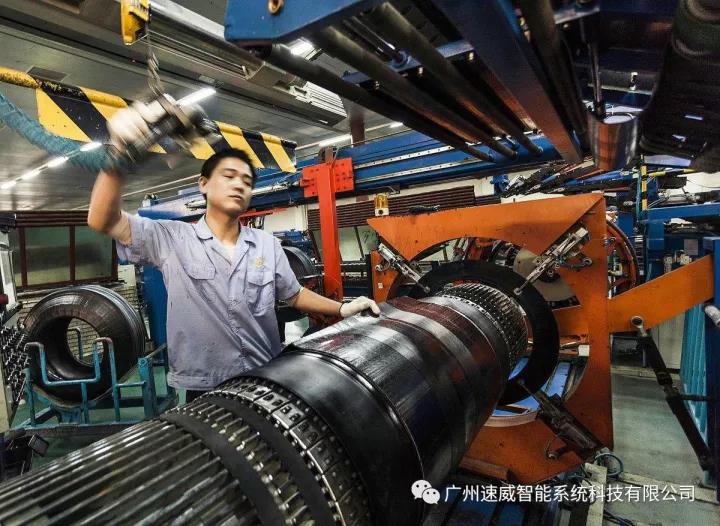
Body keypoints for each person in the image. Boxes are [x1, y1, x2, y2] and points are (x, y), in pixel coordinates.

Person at [88, 101, 380, 402]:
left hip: (265, 377)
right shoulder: (171, 239)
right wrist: (119, 153)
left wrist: (342, 309)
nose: (239, 185)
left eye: (246, 181)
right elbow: (102, 219)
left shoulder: (266, 244)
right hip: (205, 387)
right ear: (203, 184)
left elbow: (293, 294)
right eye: (228, 176)